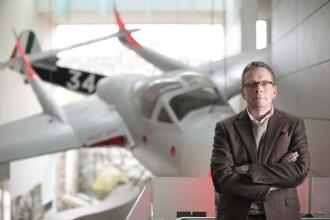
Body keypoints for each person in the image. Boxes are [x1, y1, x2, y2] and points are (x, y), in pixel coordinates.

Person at [210, 61, 310, 220]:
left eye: (265, 83)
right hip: (235, 214)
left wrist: (247, 169)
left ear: (274, 91)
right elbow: (221, 178)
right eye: (251, 84)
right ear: (243, 92)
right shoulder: (225, 127)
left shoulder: (293, 124)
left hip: (281, 213)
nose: (259, 88)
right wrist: (273, 180)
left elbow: (299, 171)